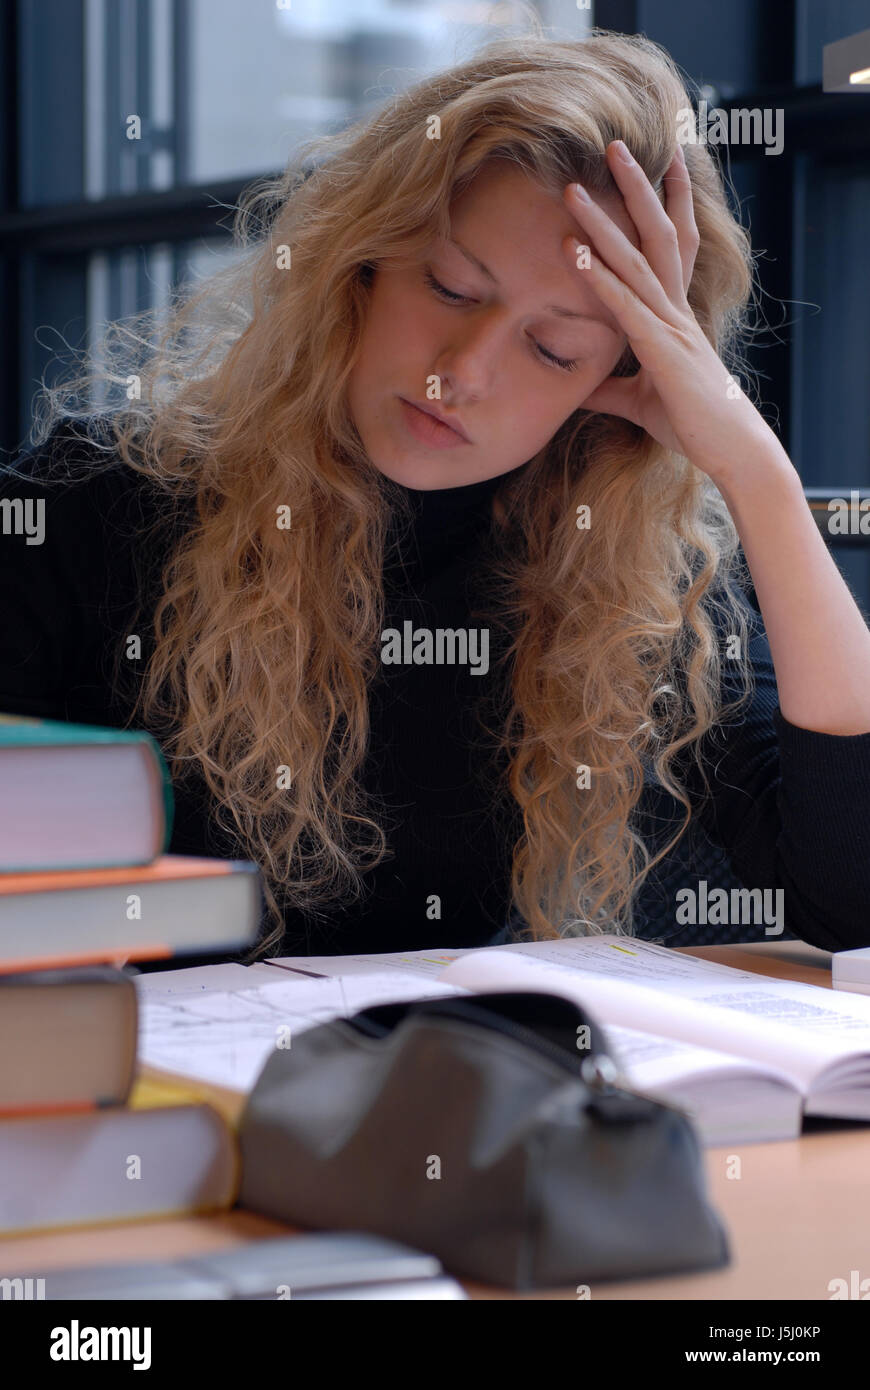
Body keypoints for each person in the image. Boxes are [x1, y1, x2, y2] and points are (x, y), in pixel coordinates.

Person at [2, 28, 870, 968]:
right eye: (453, 287)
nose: (463, 371)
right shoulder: (94, 501)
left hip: (439, 1100)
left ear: (618, 379)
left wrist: (757, 476)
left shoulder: (621, 583)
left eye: (553, 350)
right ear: (362, 262)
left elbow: (850, 896)